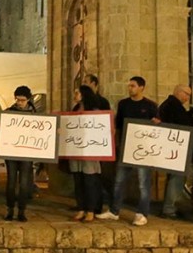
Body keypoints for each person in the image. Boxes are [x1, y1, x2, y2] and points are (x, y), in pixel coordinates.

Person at [106, 76, 160, 226]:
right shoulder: (123, 104)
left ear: (142, 87)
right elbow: (118, 126)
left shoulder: (150, 106)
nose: (130, 88)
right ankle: (114, 211)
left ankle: (142, 213)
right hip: (126, 148)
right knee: (119, 180)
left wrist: (156, 123)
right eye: (129, 86)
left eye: (133, 86)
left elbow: (157, 128)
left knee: (143, 183)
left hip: (144, 150)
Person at [158, 84, 193, 219]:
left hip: (173, 149)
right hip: (175, 149)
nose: (187, 97)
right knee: (177, 178)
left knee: (175, 178)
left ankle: (171, 206)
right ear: (178, 92)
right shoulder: (173, 106)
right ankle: (169, 209)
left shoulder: (170, 105)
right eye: (186, 93)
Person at [69, 86, 104, 222]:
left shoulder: (94, 112)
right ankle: (81, 208)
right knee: (78, 182)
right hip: (75, 152)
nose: (75, 95)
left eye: (77, 93)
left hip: (90, 153)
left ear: (84, 95)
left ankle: (91, 210)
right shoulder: (74, 111)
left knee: (89, 182)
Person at [2, 85, 37, 222]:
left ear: (28, 99)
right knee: (11, 182)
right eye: (18, 100)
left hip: (26, 153)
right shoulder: (9, 112)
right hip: (11, 152)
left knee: (23, 183)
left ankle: (21, 211)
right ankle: (10, 209)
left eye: (22, 100)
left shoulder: (35, 115)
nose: (20, 103)